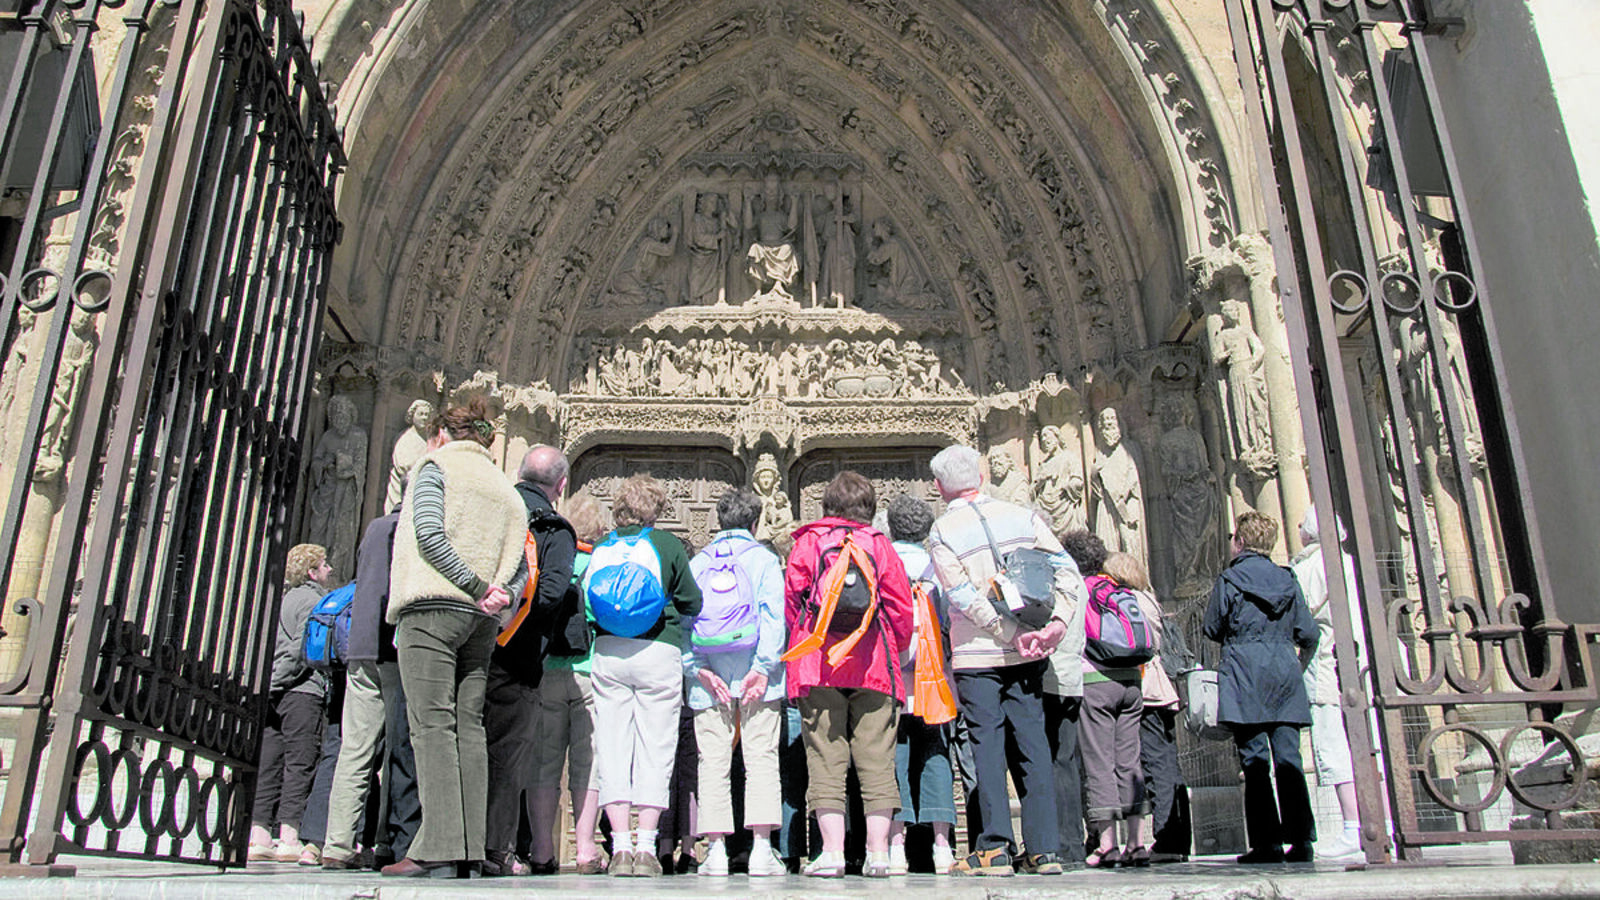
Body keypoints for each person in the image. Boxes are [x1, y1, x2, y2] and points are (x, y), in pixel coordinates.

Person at [381, 400, 529, 879]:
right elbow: (521, 565)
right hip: (480, 621)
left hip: (433, 607)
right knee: (470, 726)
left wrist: (473, 585)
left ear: (442, 433)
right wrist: (497, 596)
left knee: (432, 727)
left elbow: (427, 533)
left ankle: (437, 847)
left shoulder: (435, 466)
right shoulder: (506, 489)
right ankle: (469, 846)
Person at [927, 445, 1079, 876]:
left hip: (978, 655)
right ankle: (1045, 849)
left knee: (987, 748)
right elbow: (1067, 572)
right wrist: (1054, 628)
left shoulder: (944, 531)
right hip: (1031, 650)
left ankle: (995, 847)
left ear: (939, 487)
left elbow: (962, 597)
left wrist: (1009, 634)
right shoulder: (1024, 516)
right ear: (982, 473)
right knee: (1033, 744)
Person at [782, 471, 914, 878]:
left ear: (827, 505)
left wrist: (804, 638)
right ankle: (878, 854)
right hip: (874, 663)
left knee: (826, 759)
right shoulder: (879, 544)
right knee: (877, 759)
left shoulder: (809, 541)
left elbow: (792, 598)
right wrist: (895, 643)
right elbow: (901, 607)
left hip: (819, 664)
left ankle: (834, 853)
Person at [588, 474, 702, 878]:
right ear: (655, 509)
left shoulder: (602, 546)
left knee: (612, 745)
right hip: (659, 649)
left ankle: (619, 848)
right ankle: (648, 847)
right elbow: (692, 600)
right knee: (656, 745)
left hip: (609, 651)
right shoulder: (667, 545)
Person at [1204, 510, 1318, 864]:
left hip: (1243, 674)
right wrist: (1294, 660)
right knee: (1289, 759)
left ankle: (1266, 843)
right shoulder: (1288, 578)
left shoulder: (1229, 580)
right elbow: (1309, 633)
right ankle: (1301, 841)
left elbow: (1211, 627)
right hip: (1284, 673)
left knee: (1254, 761)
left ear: (1240, 541)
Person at [483, 445, 576, 876]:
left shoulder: (491, 508)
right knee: (506, 755)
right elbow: (552, 594)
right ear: (560, 486)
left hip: (472, 643)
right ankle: (494, 849)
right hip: (517, 654)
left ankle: (445, 839)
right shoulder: (553, 527)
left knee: (460, 742)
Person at [685, 488, 789, 878]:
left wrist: (696, 667)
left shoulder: (698, 563)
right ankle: (761, 848)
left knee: (712, 760)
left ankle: (715, 850)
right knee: (761, 757)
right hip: (755, 677)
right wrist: (763, 668)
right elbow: (773, 617)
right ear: (755, 523)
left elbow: (684, 621)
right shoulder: (763, 559)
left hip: (709, 677)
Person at [322, 504, 420, 870]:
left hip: (360, 645)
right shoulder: (412, 528)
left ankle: (337, 843)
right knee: (399, 747)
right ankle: (386, 840)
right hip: (392, 645)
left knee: (355, 749)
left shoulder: (375, 528)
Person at [526, 492, 608, 874]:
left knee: (543, 763)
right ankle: (586, 848)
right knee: (586, 763)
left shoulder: (553, 557)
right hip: (589, 671)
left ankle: (542, 849)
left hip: (547, 670)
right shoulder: (600, 562)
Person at [1060, 532, 1148, 868]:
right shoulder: (1120, 587)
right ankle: (1138, 843)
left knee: (1098, 763)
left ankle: (1107, 843)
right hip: (1130, 678)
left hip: (1095, 681)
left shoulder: (1078, 590)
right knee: (1129, 760)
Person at [883, 494, 958, 875]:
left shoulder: (882, 562)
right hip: (932, 677)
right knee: (935, 754)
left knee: (892, 757)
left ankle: (895, 845)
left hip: (890, 676)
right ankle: (941, 846)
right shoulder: (937, 567)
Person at [250, 543, 335, 863]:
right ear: (312, 571)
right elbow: (302, 649)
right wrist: (281, 679)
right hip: (302, 692)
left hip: (276, 692)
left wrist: (269, 684)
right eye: (324, 565)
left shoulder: (284, 599)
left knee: (270, 763)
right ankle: (289, 835)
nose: (330, 570)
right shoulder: (315, 601)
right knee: (300, 763)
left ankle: (259, 834)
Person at [1290, 506, 1366, 860]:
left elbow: (1296, 617)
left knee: (1334, 744)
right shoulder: (1350, 562)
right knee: (1369, 741)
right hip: (1362, 658)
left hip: (1327, 663)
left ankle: (1354, 825)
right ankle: (1383, 823)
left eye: (1303, 528)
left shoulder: (1309, 568)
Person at [1106, 551, 1183, 863]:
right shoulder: (1148, 599)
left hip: (1148, 686)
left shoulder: (1132, 601)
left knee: (1156, 764)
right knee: (1163, 761)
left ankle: (1169, 838)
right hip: (1157, 687)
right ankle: (1174, 837)